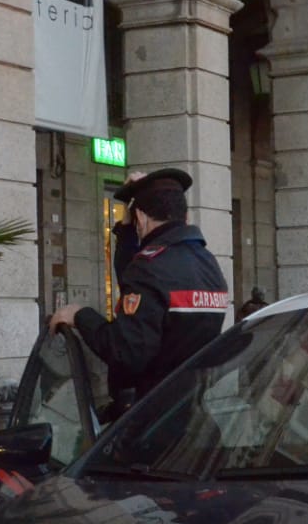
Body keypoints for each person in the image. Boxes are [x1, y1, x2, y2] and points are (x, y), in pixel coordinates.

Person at [49, 167, 228, 419]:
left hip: (151, 421)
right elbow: (132, 272)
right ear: (184, 216)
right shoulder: (207, 264)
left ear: (141, 219)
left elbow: (125, 353)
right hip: (193, 411)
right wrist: (129, 216)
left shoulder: (150, 267)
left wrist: (81, 315)